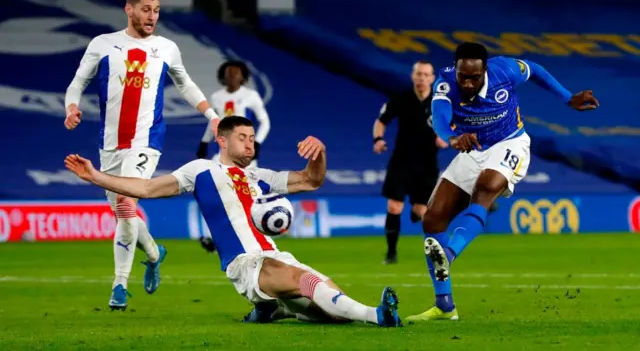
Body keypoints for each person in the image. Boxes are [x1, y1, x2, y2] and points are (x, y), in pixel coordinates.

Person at [64, 116, 402, 328]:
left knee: (335, 313)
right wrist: (96, 176)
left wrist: (320, 154)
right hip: (247, 263)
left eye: (253, 137)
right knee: (307, 283)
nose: (250, 142)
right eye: (243, 136)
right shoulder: (201, 170)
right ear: (222, 140)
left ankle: (273, 308)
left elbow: (310, 181)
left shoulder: (259, 176)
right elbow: (148, 188)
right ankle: (379, 315)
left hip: (277, 256)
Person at [406, 43, 599, 322]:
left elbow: (535, 70)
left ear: (485, 70)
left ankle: (448, 253)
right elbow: (439, 118)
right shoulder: (446, 83)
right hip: (471, 147)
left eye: (475, 77)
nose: (469, 83)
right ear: (457, 71)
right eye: (464, 77)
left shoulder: (505, 70)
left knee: (486, 188)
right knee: (432, 220)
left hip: (510, 143)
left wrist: (567, 97)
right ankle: (444, 306)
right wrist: (451, 138)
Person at [63, 0, 220, 310]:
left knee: (124, 203)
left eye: (157, 10)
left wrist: (212, 115)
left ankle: (119, 287)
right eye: (146, 9)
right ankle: (153, 253)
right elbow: (78, 82)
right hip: (110, 144)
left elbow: (185, 83)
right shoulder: (104, 44)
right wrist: (71, 107)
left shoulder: (166, 48)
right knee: (125, 211)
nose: (152, 16)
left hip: (147, 140)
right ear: (129, 10)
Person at [373, 60, 447, 264]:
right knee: (394, 207)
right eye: (419, 74)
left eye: (426, 75)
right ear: (413, 76)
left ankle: (433, 250)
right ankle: (391, 253)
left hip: (427, 165)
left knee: (421, 212)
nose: (422, 78)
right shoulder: (401, 99)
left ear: (432, 78)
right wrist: (378, 140)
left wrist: (445, 139)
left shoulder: (440, 104)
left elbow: (452, 129)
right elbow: (381, 121)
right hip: (401, 161)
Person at [197, 60, 271, 168]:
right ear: (223, 75)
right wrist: (204, 141)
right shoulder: (216, 97)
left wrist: (257, 142)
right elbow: (213, 121)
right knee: (215, 179)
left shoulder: (251, 96)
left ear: (242, 77)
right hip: (223, 151)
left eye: (236, 73)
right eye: (229, 73)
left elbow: (265, 122)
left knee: (244, 183)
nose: (232, 76)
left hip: (244, 153)